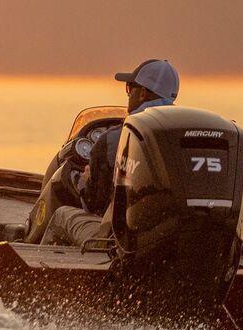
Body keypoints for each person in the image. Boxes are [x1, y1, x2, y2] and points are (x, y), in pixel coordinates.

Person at [25, 59, 180, 247]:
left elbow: (94, 204)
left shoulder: (114, 139)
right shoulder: (179, 137)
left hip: (118, 241)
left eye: (130, 88)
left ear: (142, 93)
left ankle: (34, 256)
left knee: (60, 215)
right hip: (169, 237)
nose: (128, 94)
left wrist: (84, 180)